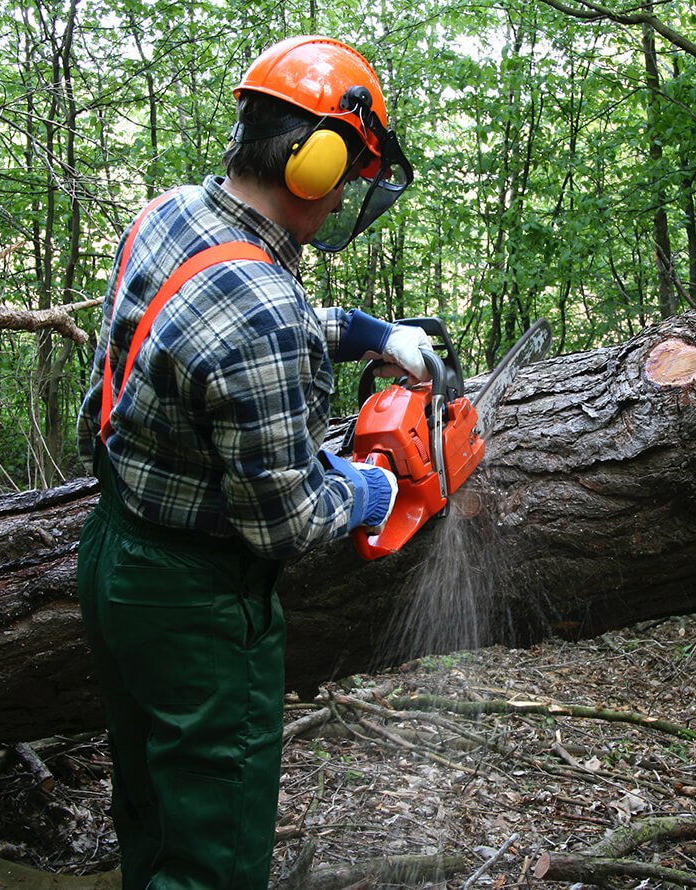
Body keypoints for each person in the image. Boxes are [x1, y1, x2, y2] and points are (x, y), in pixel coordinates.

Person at [75, 35, 426, 890]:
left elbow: (237, 312)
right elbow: (287, 520)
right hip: (199, 606)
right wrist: (374, 488)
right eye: (347, 175)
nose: (344, 196)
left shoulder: (174, 213)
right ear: (314, 163)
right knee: (215, 860)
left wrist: (378, 336)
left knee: (151, 816)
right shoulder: (263, 311)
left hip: (114, 553)